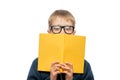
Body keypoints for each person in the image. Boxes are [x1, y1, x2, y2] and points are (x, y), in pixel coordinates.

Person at [27, 9, 94, 80]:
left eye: (68, 28)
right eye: (56, 28)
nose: (62, 33)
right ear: (49, 33)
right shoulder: (37, 64)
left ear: (73, 33)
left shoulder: (84, 66)